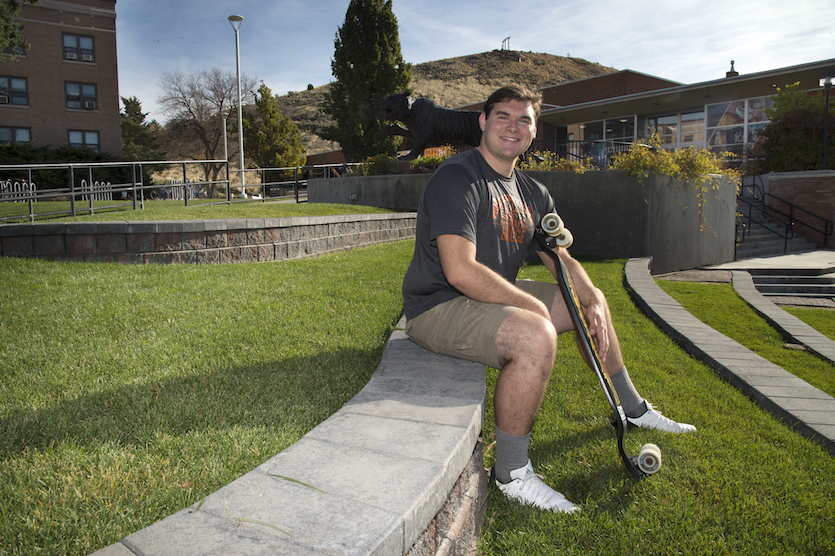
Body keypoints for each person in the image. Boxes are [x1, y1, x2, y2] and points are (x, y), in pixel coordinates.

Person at [401, 85, 695, 514]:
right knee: (536, 332)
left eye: (524, 120)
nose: (512, 127)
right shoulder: (457, 177)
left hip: (484, 300)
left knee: (585, 302)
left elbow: (561, 257)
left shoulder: (533, 192)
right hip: (438, 306)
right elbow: (459, 270)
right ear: (483, 122)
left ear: (534, 131)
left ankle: (632, 409)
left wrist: (591, 295)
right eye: (502, 116)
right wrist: (532, 307)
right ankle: (512, 474)